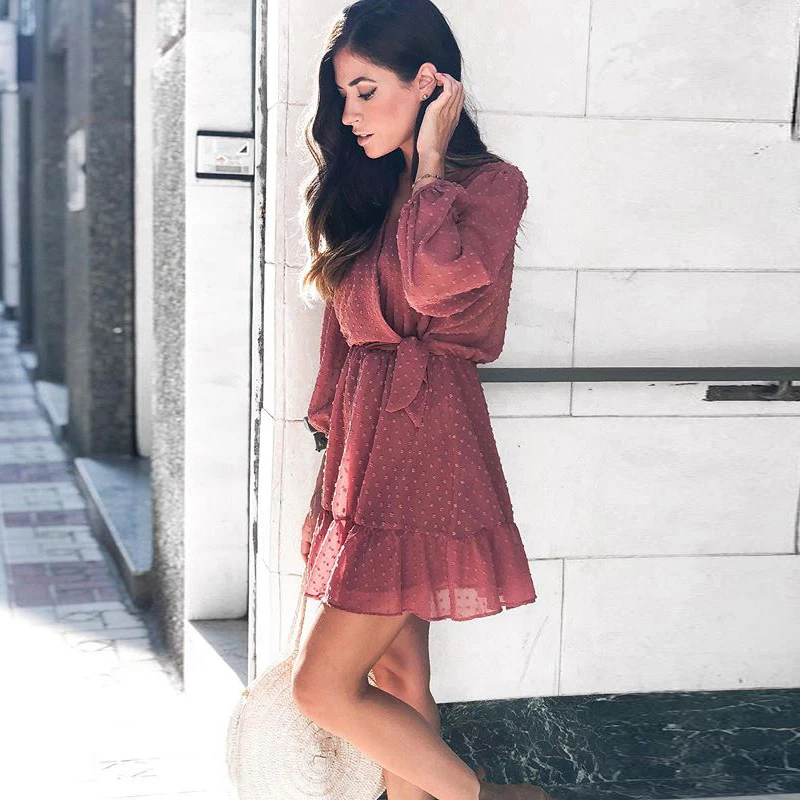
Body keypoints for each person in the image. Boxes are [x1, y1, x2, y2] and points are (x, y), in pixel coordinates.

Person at [293, 2, 548, 798]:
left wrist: (433, 166)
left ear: (429, 83)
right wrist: (329, 474)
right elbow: (344, 342)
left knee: (321, 688)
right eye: (343, 95)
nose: (350, 113)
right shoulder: (371, 194)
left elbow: (438, 290)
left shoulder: (489, 187)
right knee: (398, 673)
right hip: (364, 451)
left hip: (429, 441)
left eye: (366, 90)